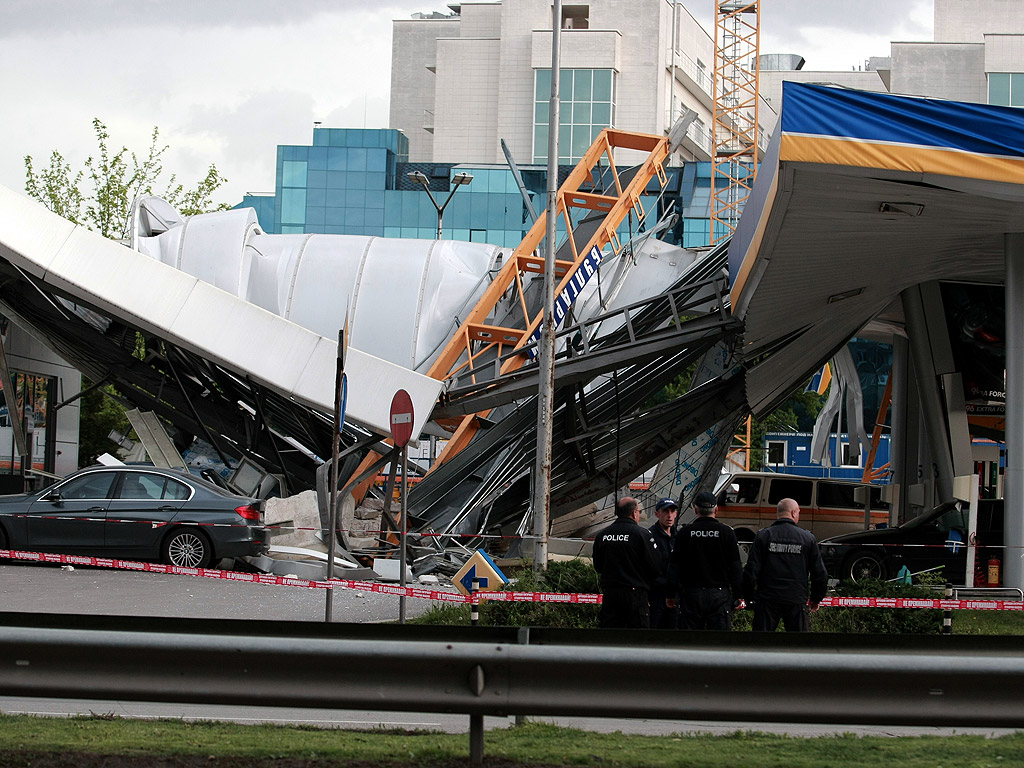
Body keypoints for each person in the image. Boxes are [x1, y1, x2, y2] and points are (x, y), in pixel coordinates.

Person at [742, 497, 828, 632]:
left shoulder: (764, 536)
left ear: (778, 513)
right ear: (794, 513)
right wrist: (816, 598)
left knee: (760, 646)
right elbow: (820, 574)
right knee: (798, 647)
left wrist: (750, 598)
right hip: (796, 599)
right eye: (799, 512)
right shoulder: (807, 538)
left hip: (767, 599)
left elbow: (751, 571)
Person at [670, 490, 742, 630]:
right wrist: (738, 595)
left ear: (696, 509)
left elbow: (674, 566)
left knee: (690, 641)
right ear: (716, 510)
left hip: (691, 593)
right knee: (719, 641)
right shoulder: (727, 533)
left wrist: (671, 594)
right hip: (719, 594)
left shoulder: (685, 533)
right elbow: (735, 567)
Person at [592, 496, 660, 628]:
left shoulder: (603, 535)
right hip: (635, 595)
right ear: (634, 512)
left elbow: (598, 566)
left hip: (611, 595)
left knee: (610, 637)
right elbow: (655, 567)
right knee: (636, 638)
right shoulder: (642, 534)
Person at [648, 497, 679, 629]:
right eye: (666, 511)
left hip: (675, 596)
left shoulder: (679, 537)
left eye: (672, 512)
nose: (669, 515)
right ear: (657, 514)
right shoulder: (649, 536)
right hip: (655, 595)